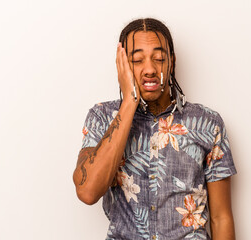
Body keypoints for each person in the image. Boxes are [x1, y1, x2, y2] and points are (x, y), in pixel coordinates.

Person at [73, 18, 237, 240]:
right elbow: (88, 191)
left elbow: (221, 218)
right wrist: (129, 101)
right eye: (137, 60)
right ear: (122, 66)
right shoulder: (101, 117)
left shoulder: (208, 123)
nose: (149, 69)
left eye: (159, 58)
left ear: (172, 61)